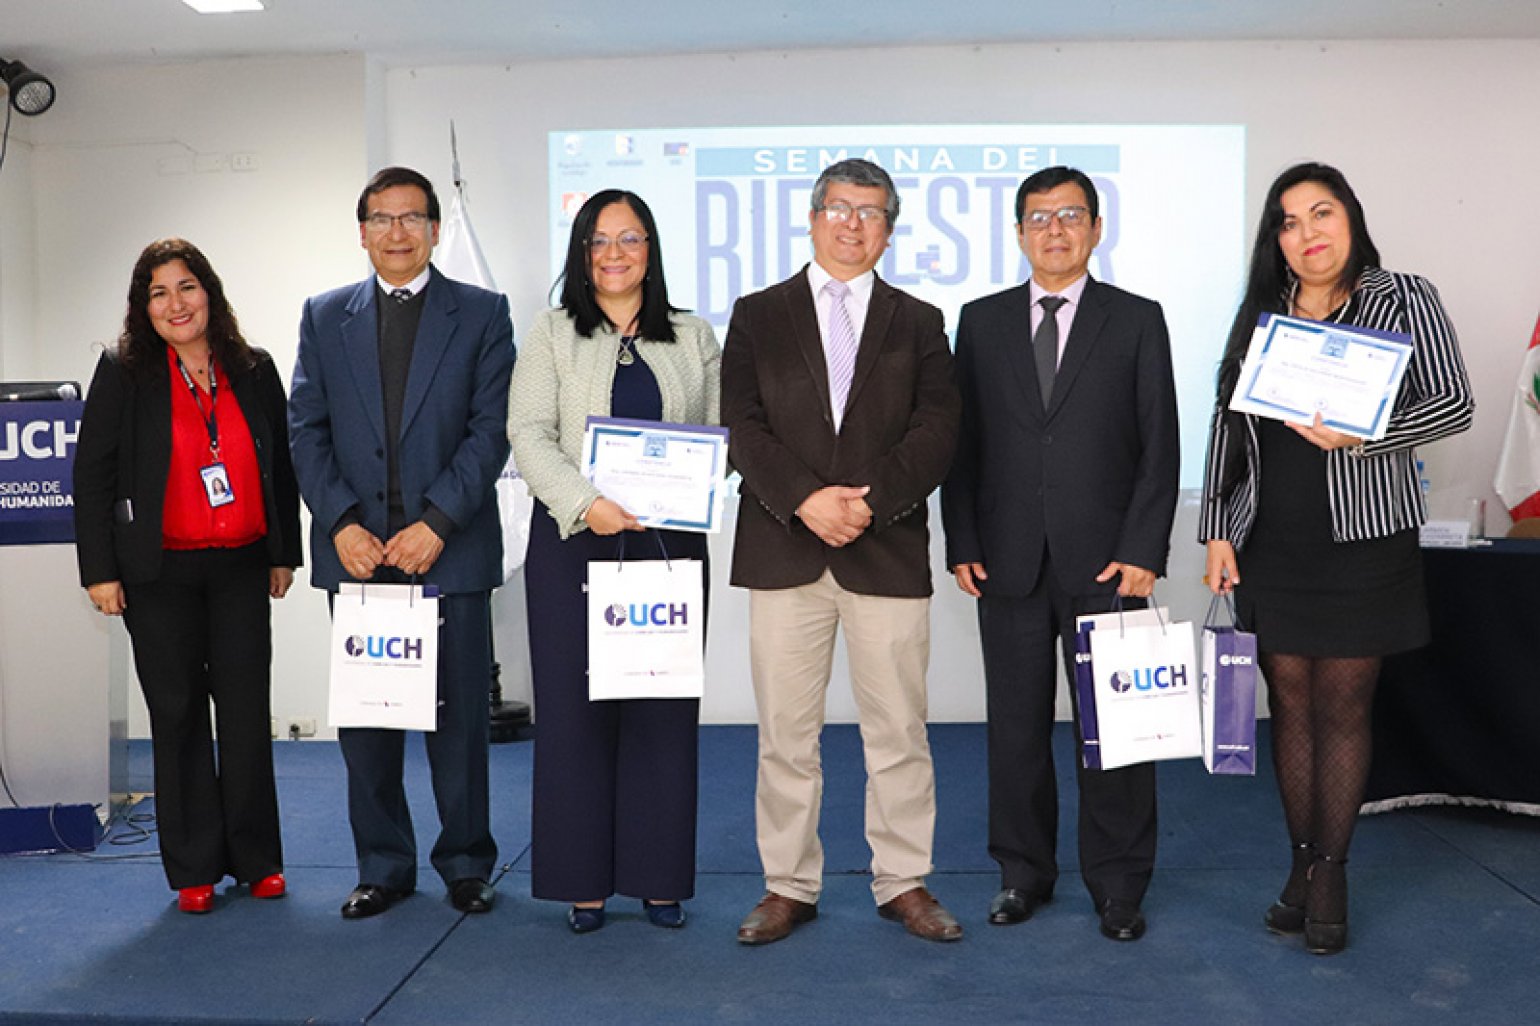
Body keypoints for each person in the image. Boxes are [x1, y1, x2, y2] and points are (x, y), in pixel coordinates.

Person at [1200, 162, 1473, 955]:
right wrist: (1218, 527)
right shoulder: (1263, 312)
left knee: (1342, 707)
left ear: (1350, 219)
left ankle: (1333, 874)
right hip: (1271, 541)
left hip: (1364, 539)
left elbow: (1453, 400)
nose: (1306, 232)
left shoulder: (1403, 296)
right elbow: (1227, 427)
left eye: (1321, 213)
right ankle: (1301, 865)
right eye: (1288, 221)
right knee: (1289, 706)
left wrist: (1369, 431)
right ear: (1276, 241)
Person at [722, 158, 962, 945]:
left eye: (870, 212)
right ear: (814, 216)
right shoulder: (758, 314)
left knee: (898, 731)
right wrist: (805, 500)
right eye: (838, 208)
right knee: (786, 736)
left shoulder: (920, 320)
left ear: (889, 229)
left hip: (884, 551)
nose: (852, 223)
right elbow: (742, 425)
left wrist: (862, 505)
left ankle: (903, 881)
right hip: (784, 550)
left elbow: (936, 432)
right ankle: (789, 884)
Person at [941, 166, 1180, 943]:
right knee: (1013, 730)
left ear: (1095, 228)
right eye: (1038, 218)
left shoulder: (1138, 319)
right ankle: (1022, 875)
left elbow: (1160, 444)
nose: (1054, 230)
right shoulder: (979, 322)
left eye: (1070, 215)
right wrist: (964, 539)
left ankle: (1118, 885)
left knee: (1115, 731)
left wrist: (1146, 547)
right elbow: (961, 444)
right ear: (1018, 234)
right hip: (1006, 560)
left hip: (1111, 564)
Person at [288, 166, 515, 920]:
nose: (396, 232)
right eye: (381, 219)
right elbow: (304, 431)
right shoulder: (324, 317)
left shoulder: (482, 313)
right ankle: (383, 866)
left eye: (411, 218)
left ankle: (465, 864)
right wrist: (342, 522)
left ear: (434, 230)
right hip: (355, 556)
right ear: (361, 232)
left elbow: (491, 433)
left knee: (458, 724)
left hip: (447, 551)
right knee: (370, 725)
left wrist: (438, 523)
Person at [508, 189, 719, 934]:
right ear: (581, 253)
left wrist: (693, 484)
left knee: (661, 712)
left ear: (651, 250)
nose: (615, 254)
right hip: (574, 547)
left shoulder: (693, 336)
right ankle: (582, 882)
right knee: (575, 714)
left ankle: (660, 880)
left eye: (630, 239)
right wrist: (584, 501)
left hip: (665, 551)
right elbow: (529, 433)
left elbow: (720, 435)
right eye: (600, 241)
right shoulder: (553, 332)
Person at [73, 238, 302, 914]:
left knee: (242, 712)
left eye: (187, 287)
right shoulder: (124, 372)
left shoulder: (253, 368)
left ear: (211, 292)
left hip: (239, 565)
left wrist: (283, 552)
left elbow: (278, 465)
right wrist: (100, 572)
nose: (176, 303)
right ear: (143, 307)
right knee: (176, 715)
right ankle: (195, 868)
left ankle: (257, 859)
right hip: (157, 572)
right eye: (158, 292)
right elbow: (93, 476)